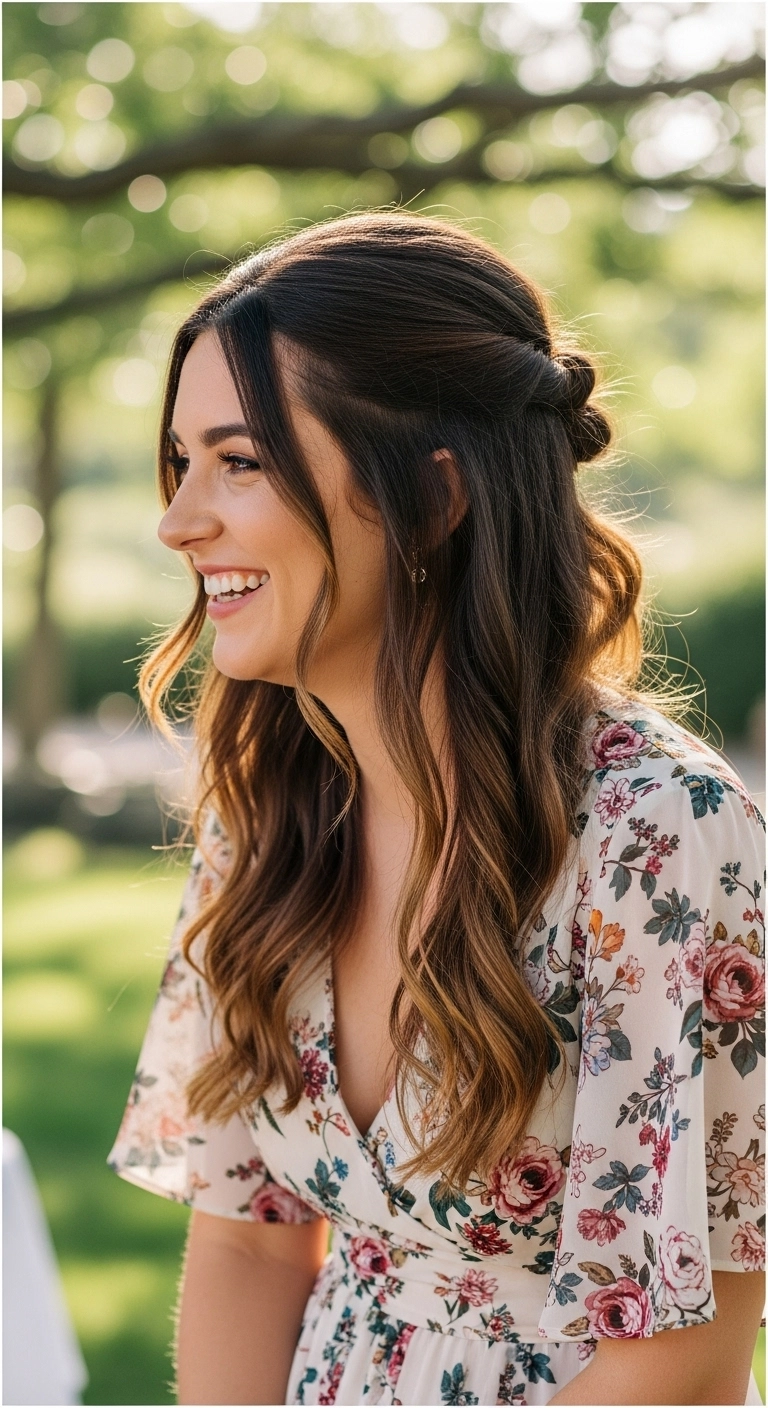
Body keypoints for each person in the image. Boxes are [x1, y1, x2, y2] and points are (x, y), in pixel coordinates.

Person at [108, 212, 765, 1407]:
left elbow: (680, 1360)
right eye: (180, 462)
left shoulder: (658, 837)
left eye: (240, 460)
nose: (178, 520)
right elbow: (253, 1231)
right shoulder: (265, 816)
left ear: (432, 498)